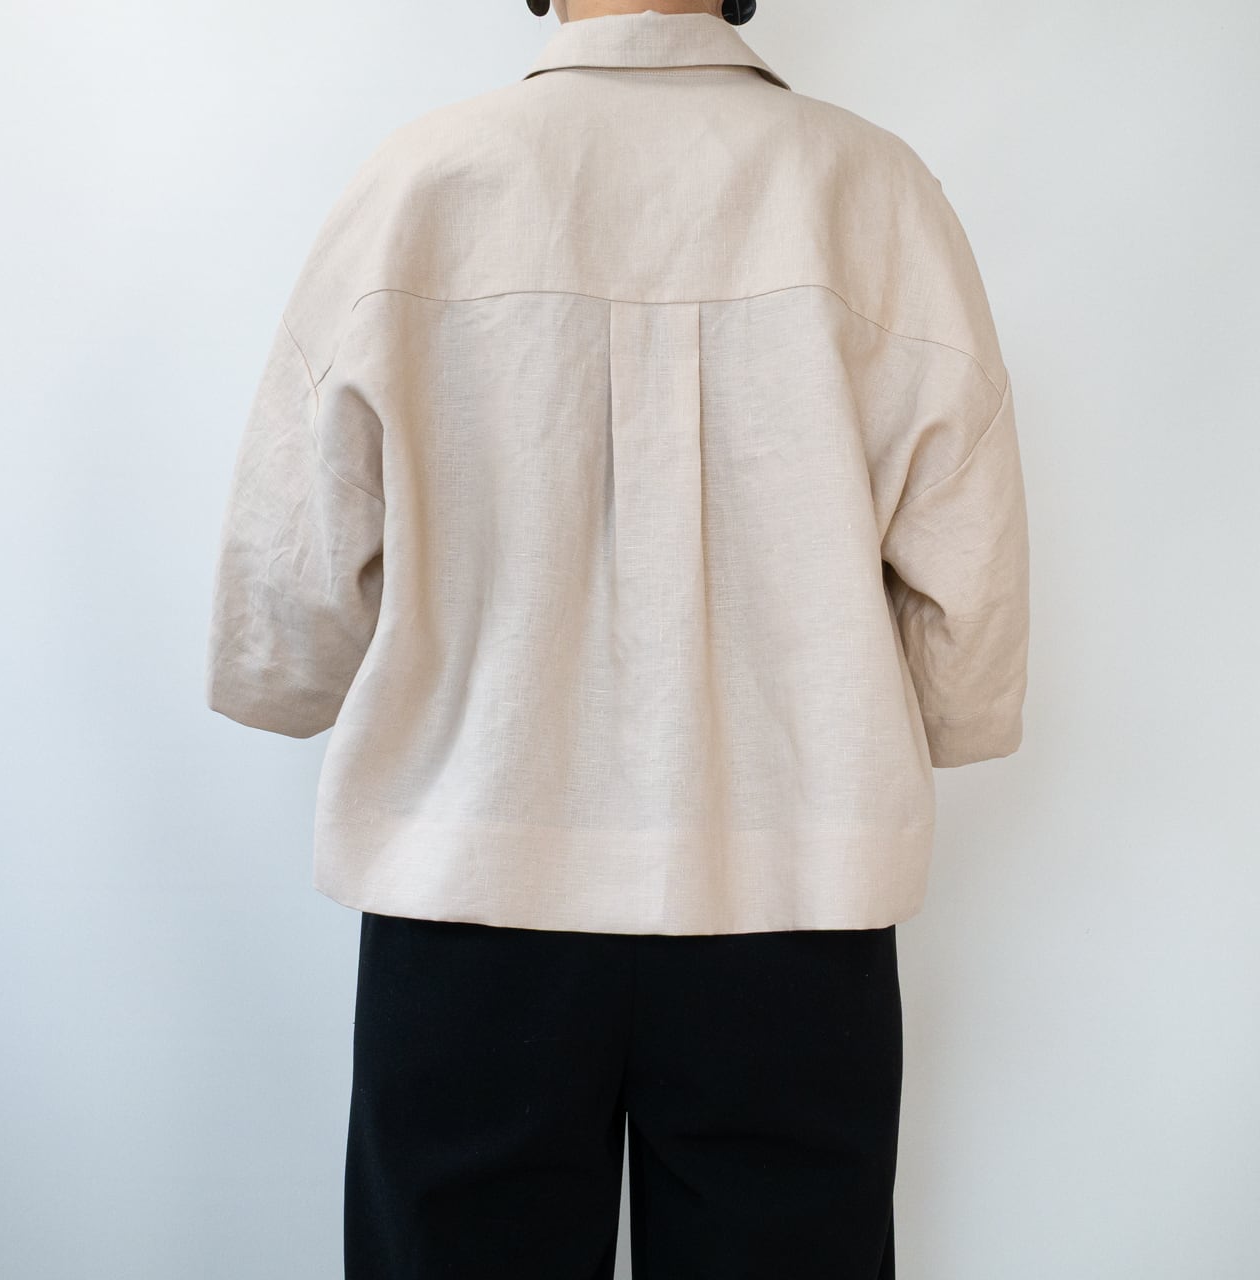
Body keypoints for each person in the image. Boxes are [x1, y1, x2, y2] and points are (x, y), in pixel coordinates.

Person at [204, 2, 1031, 1276]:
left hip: (473, 885)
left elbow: (288, 591)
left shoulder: (422, 182)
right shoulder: (869, 189)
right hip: (792, 891)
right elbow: (965, 556)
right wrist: (950, 699)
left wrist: (295, 675)